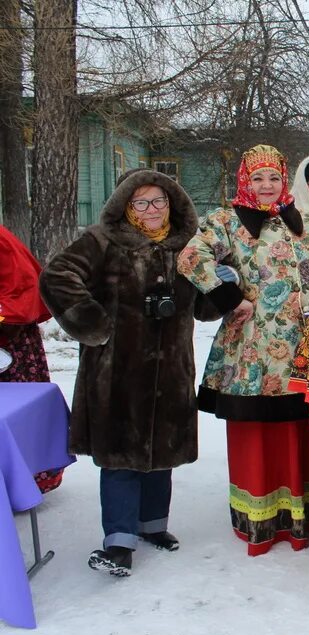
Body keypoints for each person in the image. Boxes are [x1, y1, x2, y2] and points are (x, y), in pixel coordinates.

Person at [177, 144, 309, 556]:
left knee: (305, 430)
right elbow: (189, 258)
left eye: (274, 177)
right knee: (259, 433)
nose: (267, 186)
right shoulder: (224, 222)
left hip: (306, 345)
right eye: (258, 178)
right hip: (251, 351)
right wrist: (228, 296)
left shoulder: (308, 221)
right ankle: (261, 517)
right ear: (245, 181)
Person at [40, 169, 200, 577]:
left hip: (170, 371)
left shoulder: (188, 246)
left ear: (172, 203)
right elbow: (57, 275)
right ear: (126, 206)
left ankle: (152, 527)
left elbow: (207, 302)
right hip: (118, 372)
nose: (151, 210)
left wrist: (225, 286)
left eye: (159, 201)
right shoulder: (102, 241)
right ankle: (118, 542)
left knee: (160, 452)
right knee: (121, 458)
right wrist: (94, 323)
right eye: (141, 202)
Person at [0, 226, 64, 493]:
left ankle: (21, 482)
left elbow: (21, 286)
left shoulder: (2, 243)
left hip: (8, 340)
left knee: (13, 417)